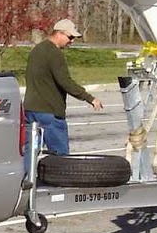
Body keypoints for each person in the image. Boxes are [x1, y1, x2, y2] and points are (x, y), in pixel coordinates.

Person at [23, 18, 103, 155]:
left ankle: (26, 176)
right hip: (50, 113)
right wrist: (89, 98)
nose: (71, 41)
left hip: (30, 111)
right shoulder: (54, 53)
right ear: (59, 33)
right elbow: (65, 81)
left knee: (30, 152)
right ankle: (58, 176)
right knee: (61, 157)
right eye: (70, 37)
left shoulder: (37, 50)